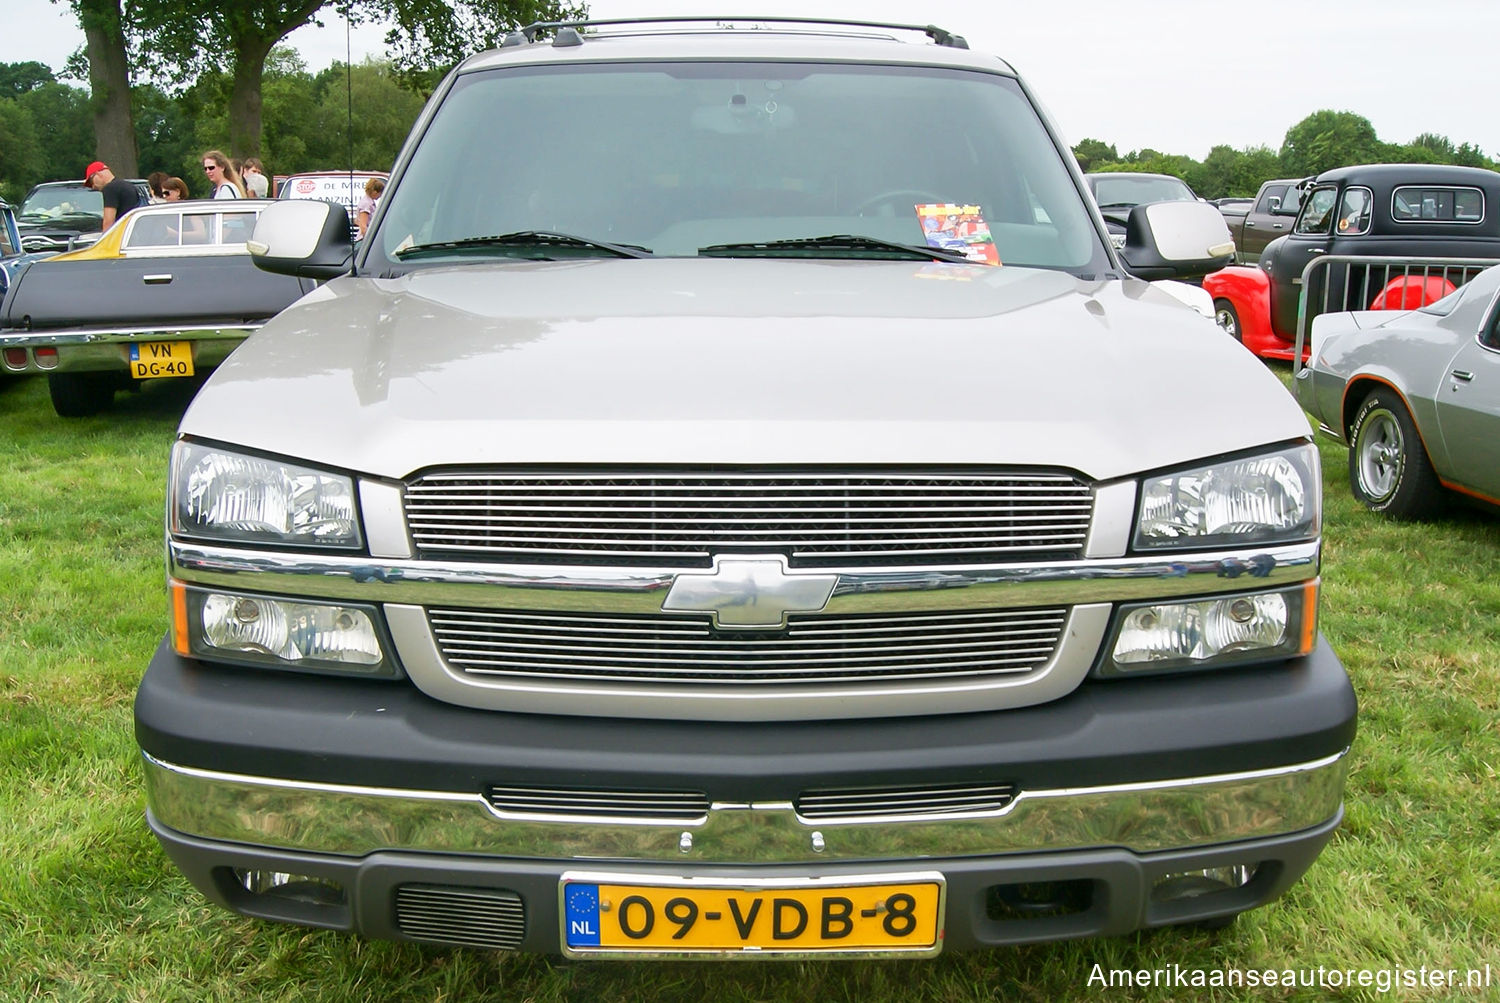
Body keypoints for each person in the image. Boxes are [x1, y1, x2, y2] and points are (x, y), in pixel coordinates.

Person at [84, 161, 143, 230]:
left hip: (123, 233)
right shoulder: (129, 186)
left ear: (98, 174)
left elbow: (108, 223)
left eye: (91, 182)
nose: (93, 187)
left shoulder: (110, 189)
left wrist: (105, 239)